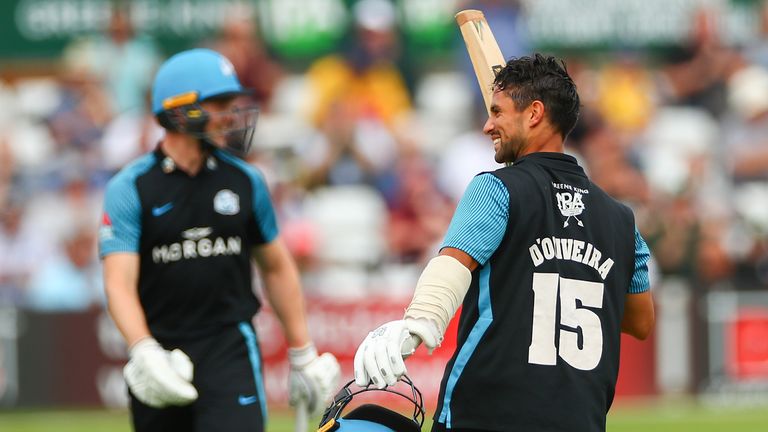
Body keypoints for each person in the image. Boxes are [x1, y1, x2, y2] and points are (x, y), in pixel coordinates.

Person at [354, 54, 655, 432]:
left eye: (497, 113)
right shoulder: (622, 221)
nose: (487, 126)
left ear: (534, 114)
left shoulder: (495, 189)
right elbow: (640, 321)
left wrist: (417, 323)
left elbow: (453, 264)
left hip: (486, 416)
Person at [98, 48, 340, 432]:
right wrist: (143, 350)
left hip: (228, 347)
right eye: (221, 103)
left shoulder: (246, 181)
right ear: (179, 109)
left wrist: (302, 353)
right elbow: (118, 283)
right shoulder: (131, 188)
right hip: (161, 351)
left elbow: (276, 267)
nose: (233, 113)